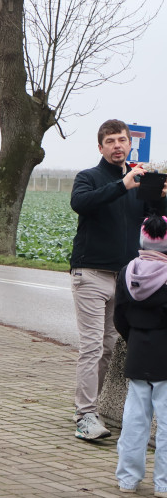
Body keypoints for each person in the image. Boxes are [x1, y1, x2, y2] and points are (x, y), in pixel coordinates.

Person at [70, 119, 166, 441]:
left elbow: (154, 224)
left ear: (129, 144)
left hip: (124, 278)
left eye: (121, 140)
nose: (117, 146)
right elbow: (81, 203)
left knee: (109, 347)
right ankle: (85, 415)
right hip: (91, 273)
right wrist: (122, 185)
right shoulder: (89, 178)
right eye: (110, 141)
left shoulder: (139, 182)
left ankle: (88, 407)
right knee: (92, 346)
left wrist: (162, 197)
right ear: (100, 147)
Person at [113, 215, 167, 498]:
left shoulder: (126, 271)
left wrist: (134, 339)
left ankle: (127, 479)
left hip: (137, 352)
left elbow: (119, 316)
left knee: (134, 418)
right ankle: (164, 485)